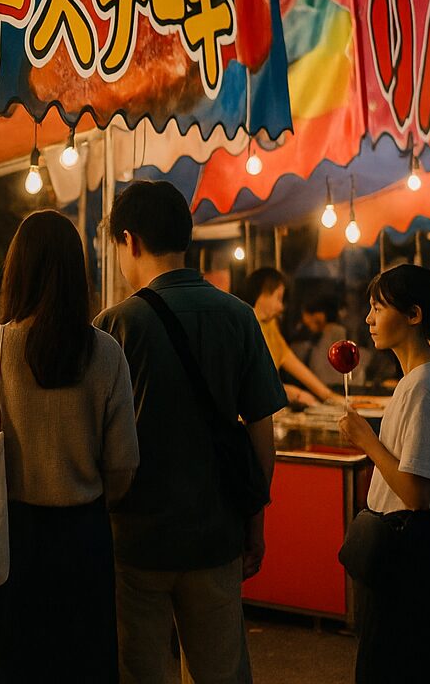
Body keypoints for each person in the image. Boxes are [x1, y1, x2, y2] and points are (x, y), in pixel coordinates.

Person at [95, 181, 286, 684]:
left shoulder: (115, 326)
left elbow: (98, 445)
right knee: (220, 673)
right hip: (215, 537)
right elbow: (261, 439)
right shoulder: (240, 318)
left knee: (140, 672)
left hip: (136, 543)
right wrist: (254, 524)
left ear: (129, 241)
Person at [0, 209, 138, 682]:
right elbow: (124, 462)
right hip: (84, 538)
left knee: (12, 667)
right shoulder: (106, 353)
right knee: (82, 666)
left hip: (8, 537)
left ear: (17, 271)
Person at [337, 264, 430, 683]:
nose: (369, 319)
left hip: (411, 551)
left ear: (413, 315)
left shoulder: (424, 384)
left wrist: (366, 440)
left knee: (394, 668)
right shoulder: (422, 378)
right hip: (415, 548)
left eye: (378, 308)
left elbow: (416, 492)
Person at [237, 268, 339, 408]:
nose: (281, 307)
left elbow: (289, 359)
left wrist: (330, 396)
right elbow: (248, 383)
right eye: (278, 298)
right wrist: (290, 392)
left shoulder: (270, 325)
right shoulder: (241, 326)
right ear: (262, 294)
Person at [302, 296, 365, 390]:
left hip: (338, 389)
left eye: (307, 315)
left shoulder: (334, 333)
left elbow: (325, 371)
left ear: (320, 315)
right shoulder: (326, 334)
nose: (305, 321)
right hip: (333, 388)